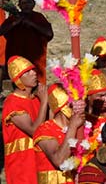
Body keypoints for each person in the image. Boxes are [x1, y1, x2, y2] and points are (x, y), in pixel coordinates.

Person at [2, 56, 48, 184]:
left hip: (39, 159)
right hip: (22, 164)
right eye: (27, 72)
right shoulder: (12, 103)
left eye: (33, 70)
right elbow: (34, 130)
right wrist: (44, 102)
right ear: (18, 79)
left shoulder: (36, 99)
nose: (34, 73)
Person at [0, 0, 54, 83]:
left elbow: (49, 33)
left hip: (35, 65)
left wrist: (32, 24)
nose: (27, 5)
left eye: (29, 2)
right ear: (19, 5)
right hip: (17, 65)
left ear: (33, 4)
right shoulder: (13, 18)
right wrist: (14, 23)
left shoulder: (39, 17)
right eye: (24, 2)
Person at [34, 84, 84, 184]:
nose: (76, 107)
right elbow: (60, 161)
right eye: (72, 104)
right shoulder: (44, 130)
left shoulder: (79, 125)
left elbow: (82, 159)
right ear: (62, 107)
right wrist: (73, 127)